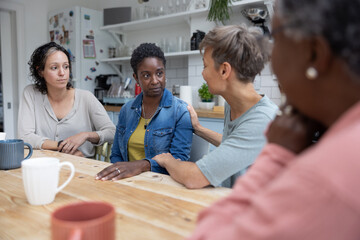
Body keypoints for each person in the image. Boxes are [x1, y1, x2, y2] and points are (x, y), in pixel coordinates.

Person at [188, 0, 360, 239]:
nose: (267, 57)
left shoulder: (330, 177)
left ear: (314, 53)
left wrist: (276, 154)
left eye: (276, 40)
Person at [153, 25, 278, 188]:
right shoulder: (233, 105)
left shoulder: (262, 121)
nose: (203, 73)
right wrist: (199, 129)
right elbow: (233, 145)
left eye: (205, 66)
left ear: (225, 70)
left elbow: (194, 177)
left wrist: (167, 160)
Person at [95, 43, 193, 181]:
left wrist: (140, 166)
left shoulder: (180, 111)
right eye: (146, 76)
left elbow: (179, 160)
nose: (155, 81)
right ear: (136, 78)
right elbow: (116, 154)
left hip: (161, 184)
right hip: (126, 181)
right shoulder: (126, 110)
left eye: (159, 73)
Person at [18, 42, 115, 158]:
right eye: (54, 68)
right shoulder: (31, 93)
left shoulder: (86, 98)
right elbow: (24, 136)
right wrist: (60, 146)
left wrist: (86, 135)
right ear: (40, 71)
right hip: (45, 165)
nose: (62, 73)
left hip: (82, 166)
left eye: (66, 66)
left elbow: (112, 132)